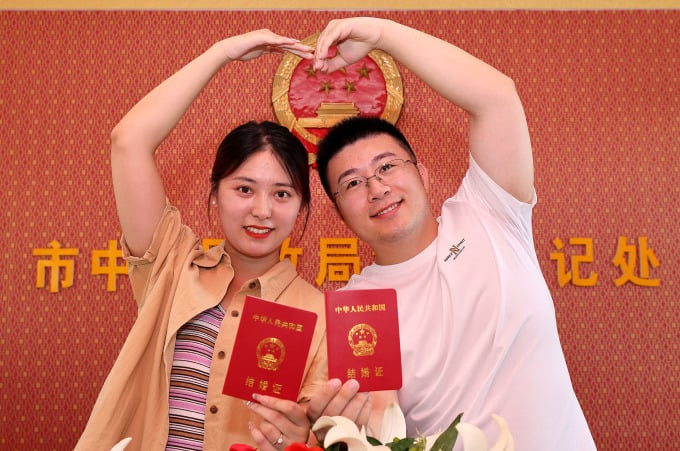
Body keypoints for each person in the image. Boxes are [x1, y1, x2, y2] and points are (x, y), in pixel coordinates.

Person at [306, 17, 597, 450]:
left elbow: (497, 98)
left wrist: (383, 34)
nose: (377, 188)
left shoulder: (488, 214)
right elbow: (383, 428)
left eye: (387, 166)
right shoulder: (354, 307)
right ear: (339, 213)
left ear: (421, 173)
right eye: (352, 183)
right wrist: (337, 426)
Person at [75, 30, 326, 451]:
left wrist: (303, 439)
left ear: (301, 206)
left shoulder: (318, 316)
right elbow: (129, 140)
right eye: (244, 189)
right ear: (215, 193)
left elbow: (318, 434)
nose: (262, 210)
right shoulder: (172, 264)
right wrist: (220, 53)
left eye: (282, 193)